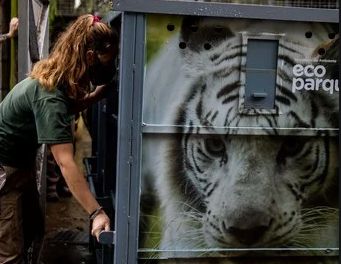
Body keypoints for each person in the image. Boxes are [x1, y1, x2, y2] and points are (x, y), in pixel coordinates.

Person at [0, 14, 118, 263]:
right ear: (88, 57)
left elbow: (63, 108)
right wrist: (96, 212)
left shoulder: (57, 81)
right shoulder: (49, 95)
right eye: (105, 62)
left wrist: (95, 96)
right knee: (9, 250)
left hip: (20, 165)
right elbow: (65, 163)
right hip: (5, 171)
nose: (109, 68)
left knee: (34, 229)